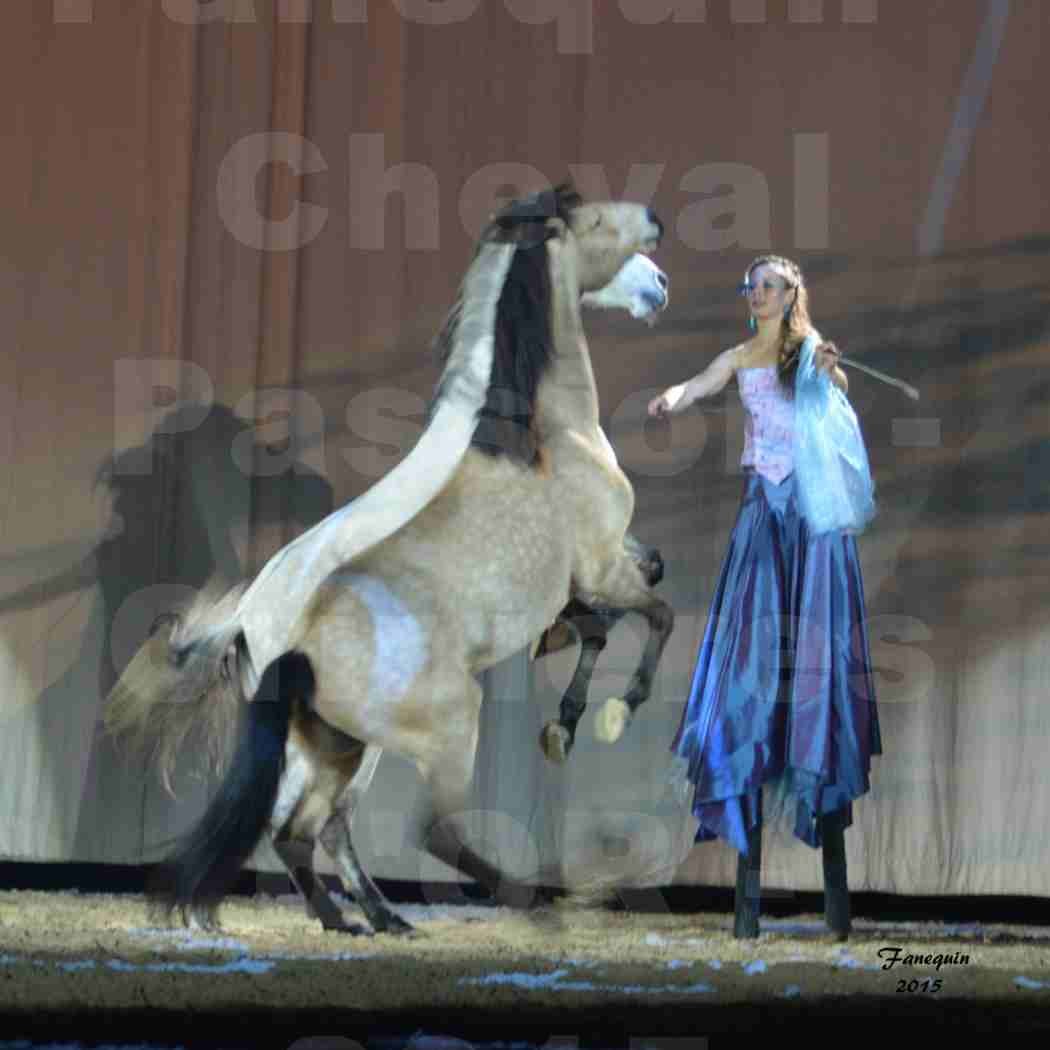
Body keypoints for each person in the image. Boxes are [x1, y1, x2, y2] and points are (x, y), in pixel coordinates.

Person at [649, 254, 881, 940]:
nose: (756, 294)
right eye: (750, 286)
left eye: (769, 287)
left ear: (790, 295)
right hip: (763, 519)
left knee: (811, 656)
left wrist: (829, 365)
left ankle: (833, 893)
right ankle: (746, 903)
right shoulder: (741, 355)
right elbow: (702, 382)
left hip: (807, 521)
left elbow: (833, 391)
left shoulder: (804, 348)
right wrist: (673, 397)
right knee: (751, 661)